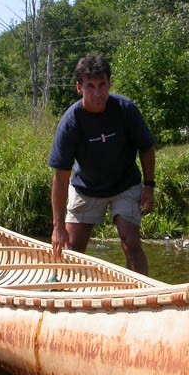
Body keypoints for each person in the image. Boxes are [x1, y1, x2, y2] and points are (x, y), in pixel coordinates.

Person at [48, 55, 155, 275]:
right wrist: (58, 227)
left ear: (109, 84)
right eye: (90, 86)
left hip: (125, 185)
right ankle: (66, 294)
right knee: (71, 249)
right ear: (79, 88)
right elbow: (60, 178)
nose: (97, 94)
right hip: (86, 188)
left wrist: (149, 186)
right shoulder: (71, 121)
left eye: (102, 85)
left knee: (130, 242)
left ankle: (139, 296)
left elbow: (146, 148)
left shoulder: (126, 109)